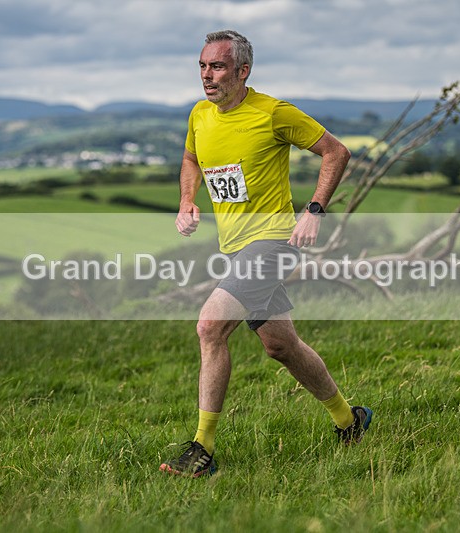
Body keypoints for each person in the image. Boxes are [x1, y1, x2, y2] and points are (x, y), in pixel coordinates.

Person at [160, 30, 372, 478]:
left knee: (210, 327)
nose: (207, 75)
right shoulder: (200, 115)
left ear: (242, 71)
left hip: (274, 241)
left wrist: (314, 210)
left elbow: (336, 151)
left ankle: (202, 451)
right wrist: (187, 200)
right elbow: (191, 160)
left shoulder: (272, 112)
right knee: (281, 345)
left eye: (217, 66)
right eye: (202, 66)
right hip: (237, 248)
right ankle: (350, 421)